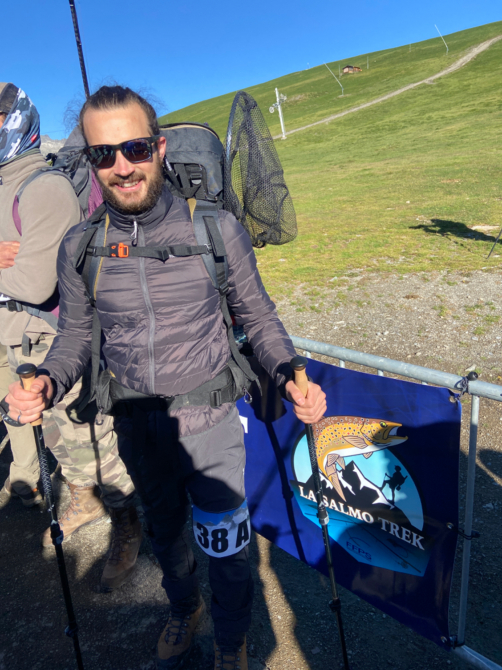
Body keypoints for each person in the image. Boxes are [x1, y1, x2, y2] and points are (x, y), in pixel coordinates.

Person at [6, 85, 327, 670]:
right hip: (136, 425)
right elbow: (74, 337)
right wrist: (47, 381)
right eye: (103, 154)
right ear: (91, 162)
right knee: (166, 534)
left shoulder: (216, 229)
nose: (122, 166)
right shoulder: (81, 245)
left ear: (158, 148)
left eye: (134, 148)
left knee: (227, 549)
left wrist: (288, 373)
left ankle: (231, 641)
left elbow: (259, 317)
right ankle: (184, 609)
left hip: (211, 427)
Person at [0, 82, 141, 592]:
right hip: (16, 337)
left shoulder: (42, 188)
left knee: (89, 435)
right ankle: (82, 498)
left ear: (14, 121)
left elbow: (35, 282)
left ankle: (126, 520)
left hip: (52, 339)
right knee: (59, 438)